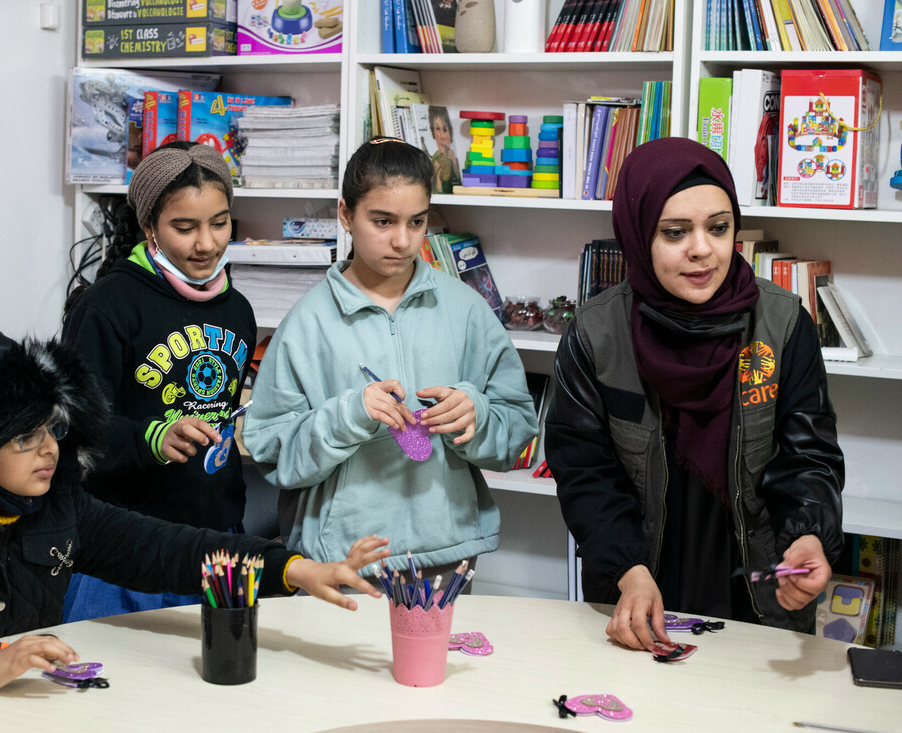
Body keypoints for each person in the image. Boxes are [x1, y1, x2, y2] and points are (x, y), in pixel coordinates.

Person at [0, 329, 389, 696]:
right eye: (23, 438)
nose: (49, 451)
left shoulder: (57, 506)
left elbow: (173, 550)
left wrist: (294, 570)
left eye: (53, 430)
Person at [544, 137, 844, 651]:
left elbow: (808, 455)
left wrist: (808, 535)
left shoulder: (783, 322)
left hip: (759, 587)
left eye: (719, 228)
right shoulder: (596, 334)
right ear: (638, 234)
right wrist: (629, 570)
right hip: (639, 582)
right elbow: (585, 473)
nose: (702, 249)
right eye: (675, 232)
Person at [242, 138, 537, 580]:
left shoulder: (467, 309)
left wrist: (475, 417)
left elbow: (518, 434)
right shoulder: (307, 323)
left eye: (416, 222)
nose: (402, 241)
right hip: (343, 558)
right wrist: (346, 418)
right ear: (346, 214)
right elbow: (270, 454)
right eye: (382, 221)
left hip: (448, 551)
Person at [61, 141, 256, 621]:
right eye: (184, 228)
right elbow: (74, 434)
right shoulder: (109, 306)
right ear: (149, 225)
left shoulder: (238, 310)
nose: (206, 244)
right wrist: (154, 436)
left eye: (219, 222)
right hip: (127, 544)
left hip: (216, 539)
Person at [426, 106, 461, 195]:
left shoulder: (456, 160)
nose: (442, 136)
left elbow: (461, 191)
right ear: (433, 132)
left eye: (445, 130)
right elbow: (433, 195)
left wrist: (455, 165)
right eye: (437, 129)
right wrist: (438, 178)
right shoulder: (432, 162)